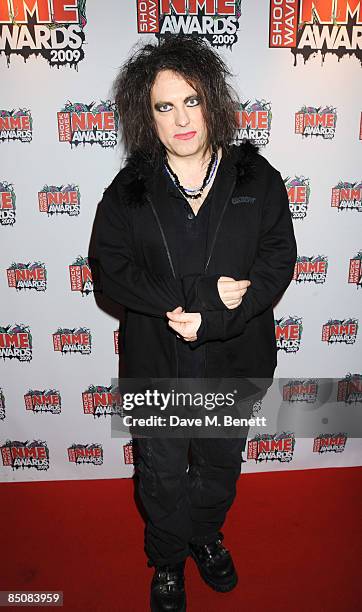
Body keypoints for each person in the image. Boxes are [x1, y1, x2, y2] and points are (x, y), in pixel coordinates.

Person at [93, 35, 297, 612]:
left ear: (214, 102)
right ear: (146, 116)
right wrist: (195, 299)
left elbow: (278, 260)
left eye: (192, 101)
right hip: (157, 361)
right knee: (159, 475)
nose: (181, 118)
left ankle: (205, 538)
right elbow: (111, 271)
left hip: (236, 358)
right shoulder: (128, 190)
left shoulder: (259, 179)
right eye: (164, 106)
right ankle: (166, 562)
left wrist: (221, 313)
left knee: (219, 464)